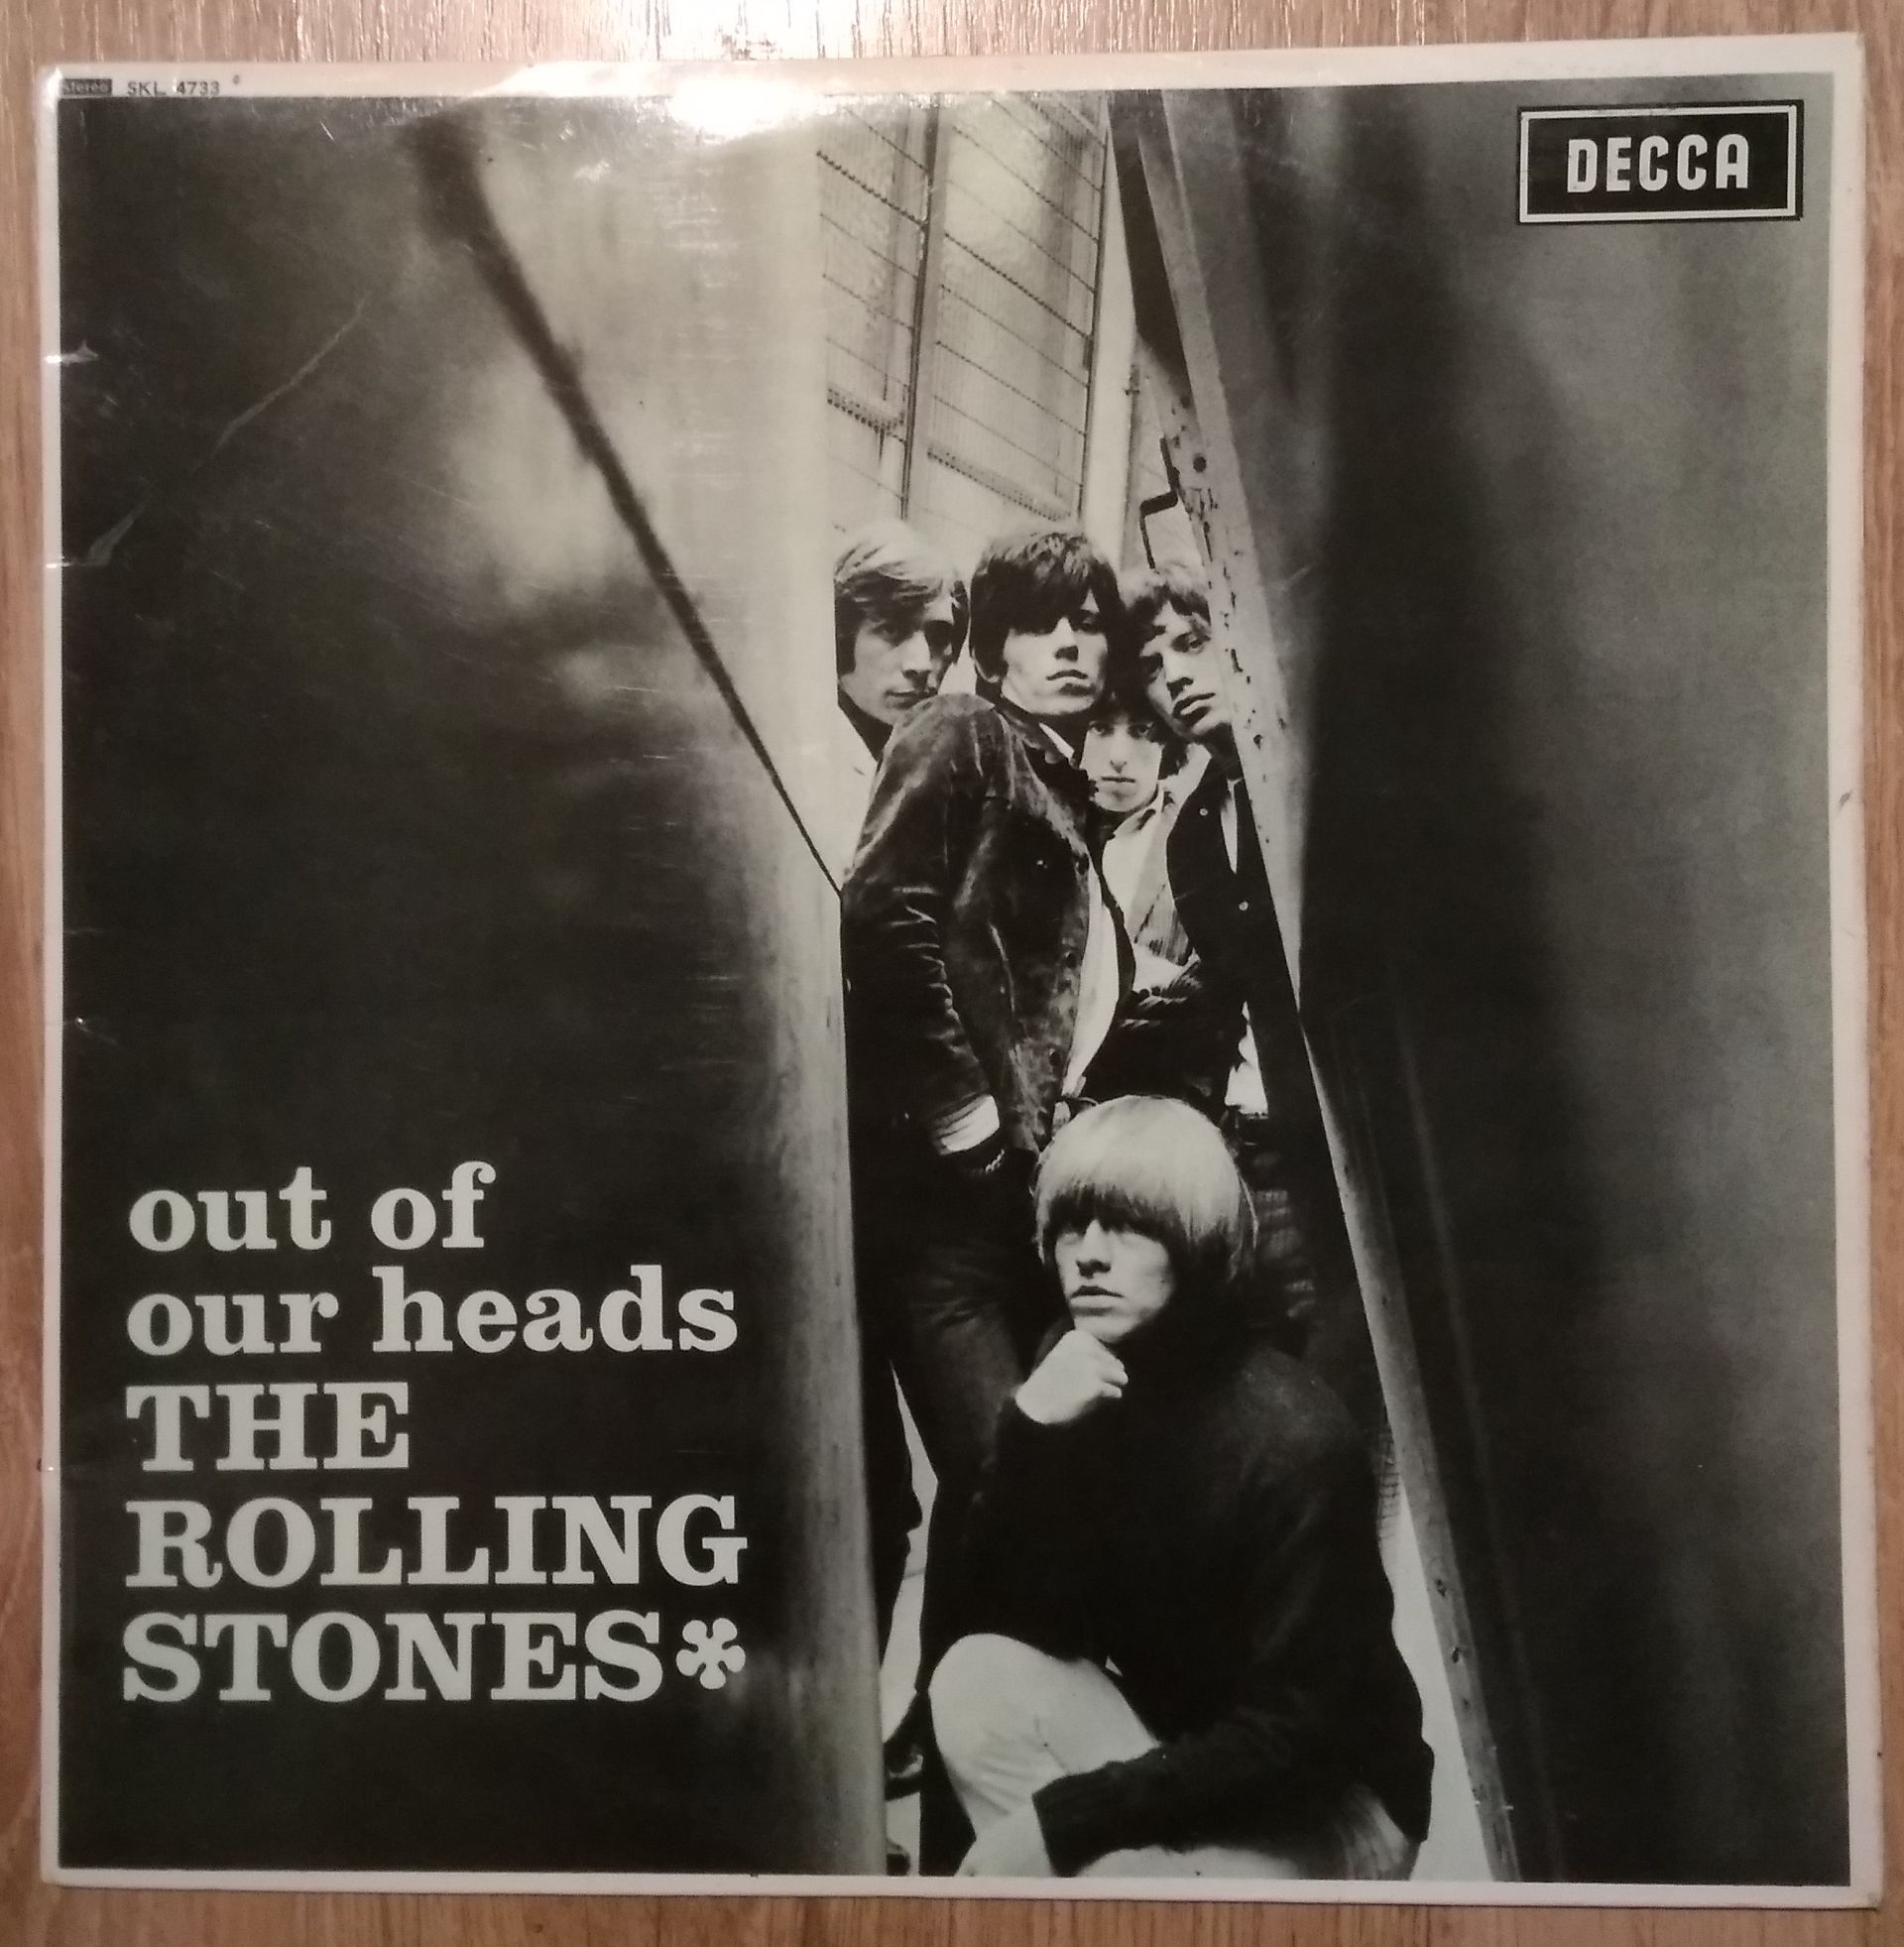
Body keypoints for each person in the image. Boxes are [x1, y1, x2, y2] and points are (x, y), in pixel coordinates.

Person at [930, 1096, 1431, 1880]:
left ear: (1198, 1245)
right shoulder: (1079, 1367)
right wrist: (1029, 1433)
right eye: (1071, 1225)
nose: (1090, 1256)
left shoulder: (1292, 1437)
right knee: (972, 1678)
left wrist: (1066, 1822)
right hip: (1187, 1750)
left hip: (1333, 1803)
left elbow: (1295, 1736)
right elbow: (1011, 1622)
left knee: (1090, 1880)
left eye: (1129, 1225)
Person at [841, 526, 1128, 1768]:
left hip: (1015, 1198)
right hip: (944, 1203)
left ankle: (948, 1745)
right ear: (997, 648)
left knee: (991, 1494)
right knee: (1007, 1477)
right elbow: (881, 916)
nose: (1070, 646)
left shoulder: (1060, 779)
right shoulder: (962, 733)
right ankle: (949, 1735)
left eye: (1090, 625)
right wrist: (968, 1119)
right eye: (1040, 625)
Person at [1114, 563, 1378, 1436]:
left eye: (1192, 645)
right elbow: (1235, 985)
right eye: (1154, 666)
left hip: (1354, 1139)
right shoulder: (1192, 829)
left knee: (1354, 1369)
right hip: (1260, 1146)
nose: (1176, 677)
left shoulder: (1315, 786)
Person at [824, 520, 967, 879]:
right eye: (891, 629)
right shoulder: (804, 767)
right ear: (841, 636)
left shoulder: (953, 778)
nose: (921, 664)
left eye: (938, 636)